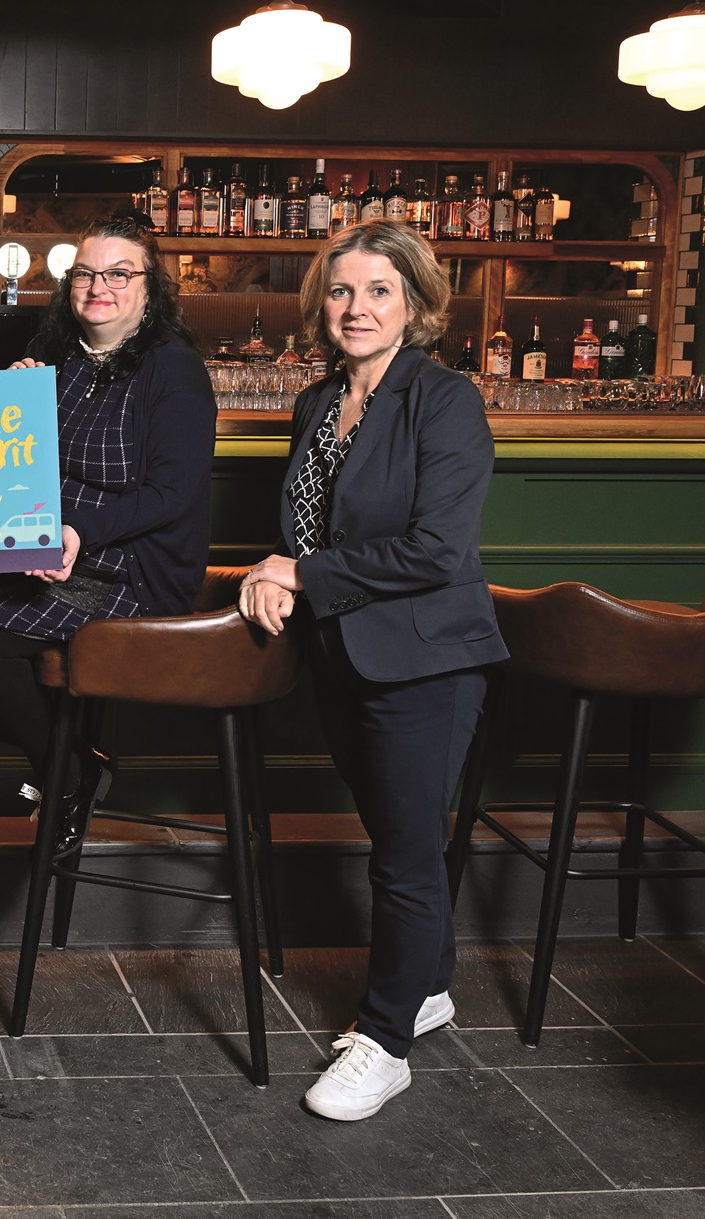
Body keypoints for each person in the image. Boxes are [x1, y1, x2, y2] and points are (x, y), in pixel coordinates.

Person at [237, 219, 506, 1121]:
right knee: (402, 834)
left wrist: (299, 573)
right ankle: (426, 988)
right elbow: (311, 529)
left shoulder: (446, 399)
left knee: (402, 854)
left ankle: (385, 1042)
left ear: (416, 304)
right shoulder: (318, 401)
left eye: (379, 291)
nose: (357, 307)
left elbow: (435, 549)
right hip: (343, 653)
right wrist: (271, 572)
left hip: (427, 659)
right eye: (342, 290)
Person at [0, 215, 215, 856]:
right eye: (84, 273)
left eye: (118, 273)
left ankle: (65, 774)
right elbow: (14, 469)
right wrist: (9, 406)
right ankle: (75, 761)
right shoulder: (54, 355)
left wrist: (79, 531)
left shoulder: (173, 369)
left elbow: (171, 494)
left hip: (131, 569)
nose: (97, 286)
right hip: (52, 555)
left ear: (150, 286)